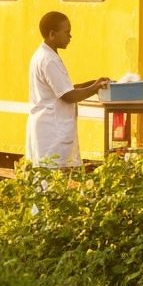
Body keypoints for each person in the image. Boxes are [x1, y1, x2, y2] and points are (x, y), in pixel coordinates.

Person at [25, 11, 110, 169]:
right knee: (52, 181)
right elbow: (68, 95)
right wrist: (95, 88)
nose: (70, 36)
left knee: (53, 180)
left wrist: (93, 83)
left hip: (50, 128)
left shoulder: (46, 55)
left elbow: (66, 88)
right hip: (52, 131)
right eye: (66, 32)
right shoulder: (48, 60)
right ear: (52, 34)